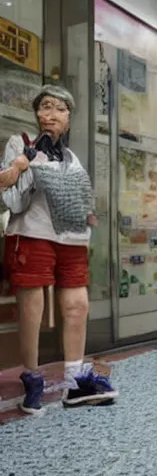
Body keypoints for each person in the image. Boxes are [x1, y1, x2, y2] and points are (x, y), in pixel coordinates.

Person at [2, 85, 117, 415]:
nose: (51, 114)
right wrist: (26, 161)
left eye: (60, 109)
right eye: (46, 107)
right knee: (32, 308)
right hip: (33, 233)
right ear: (37, 113)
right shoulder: (20, 142)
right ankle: (32, 375)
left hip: (72, 239)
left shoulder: (71, 157)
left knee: (78, 305)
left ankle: (75, 379)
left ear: (69, 118)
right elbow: (9, 190)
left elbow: (81, 198)